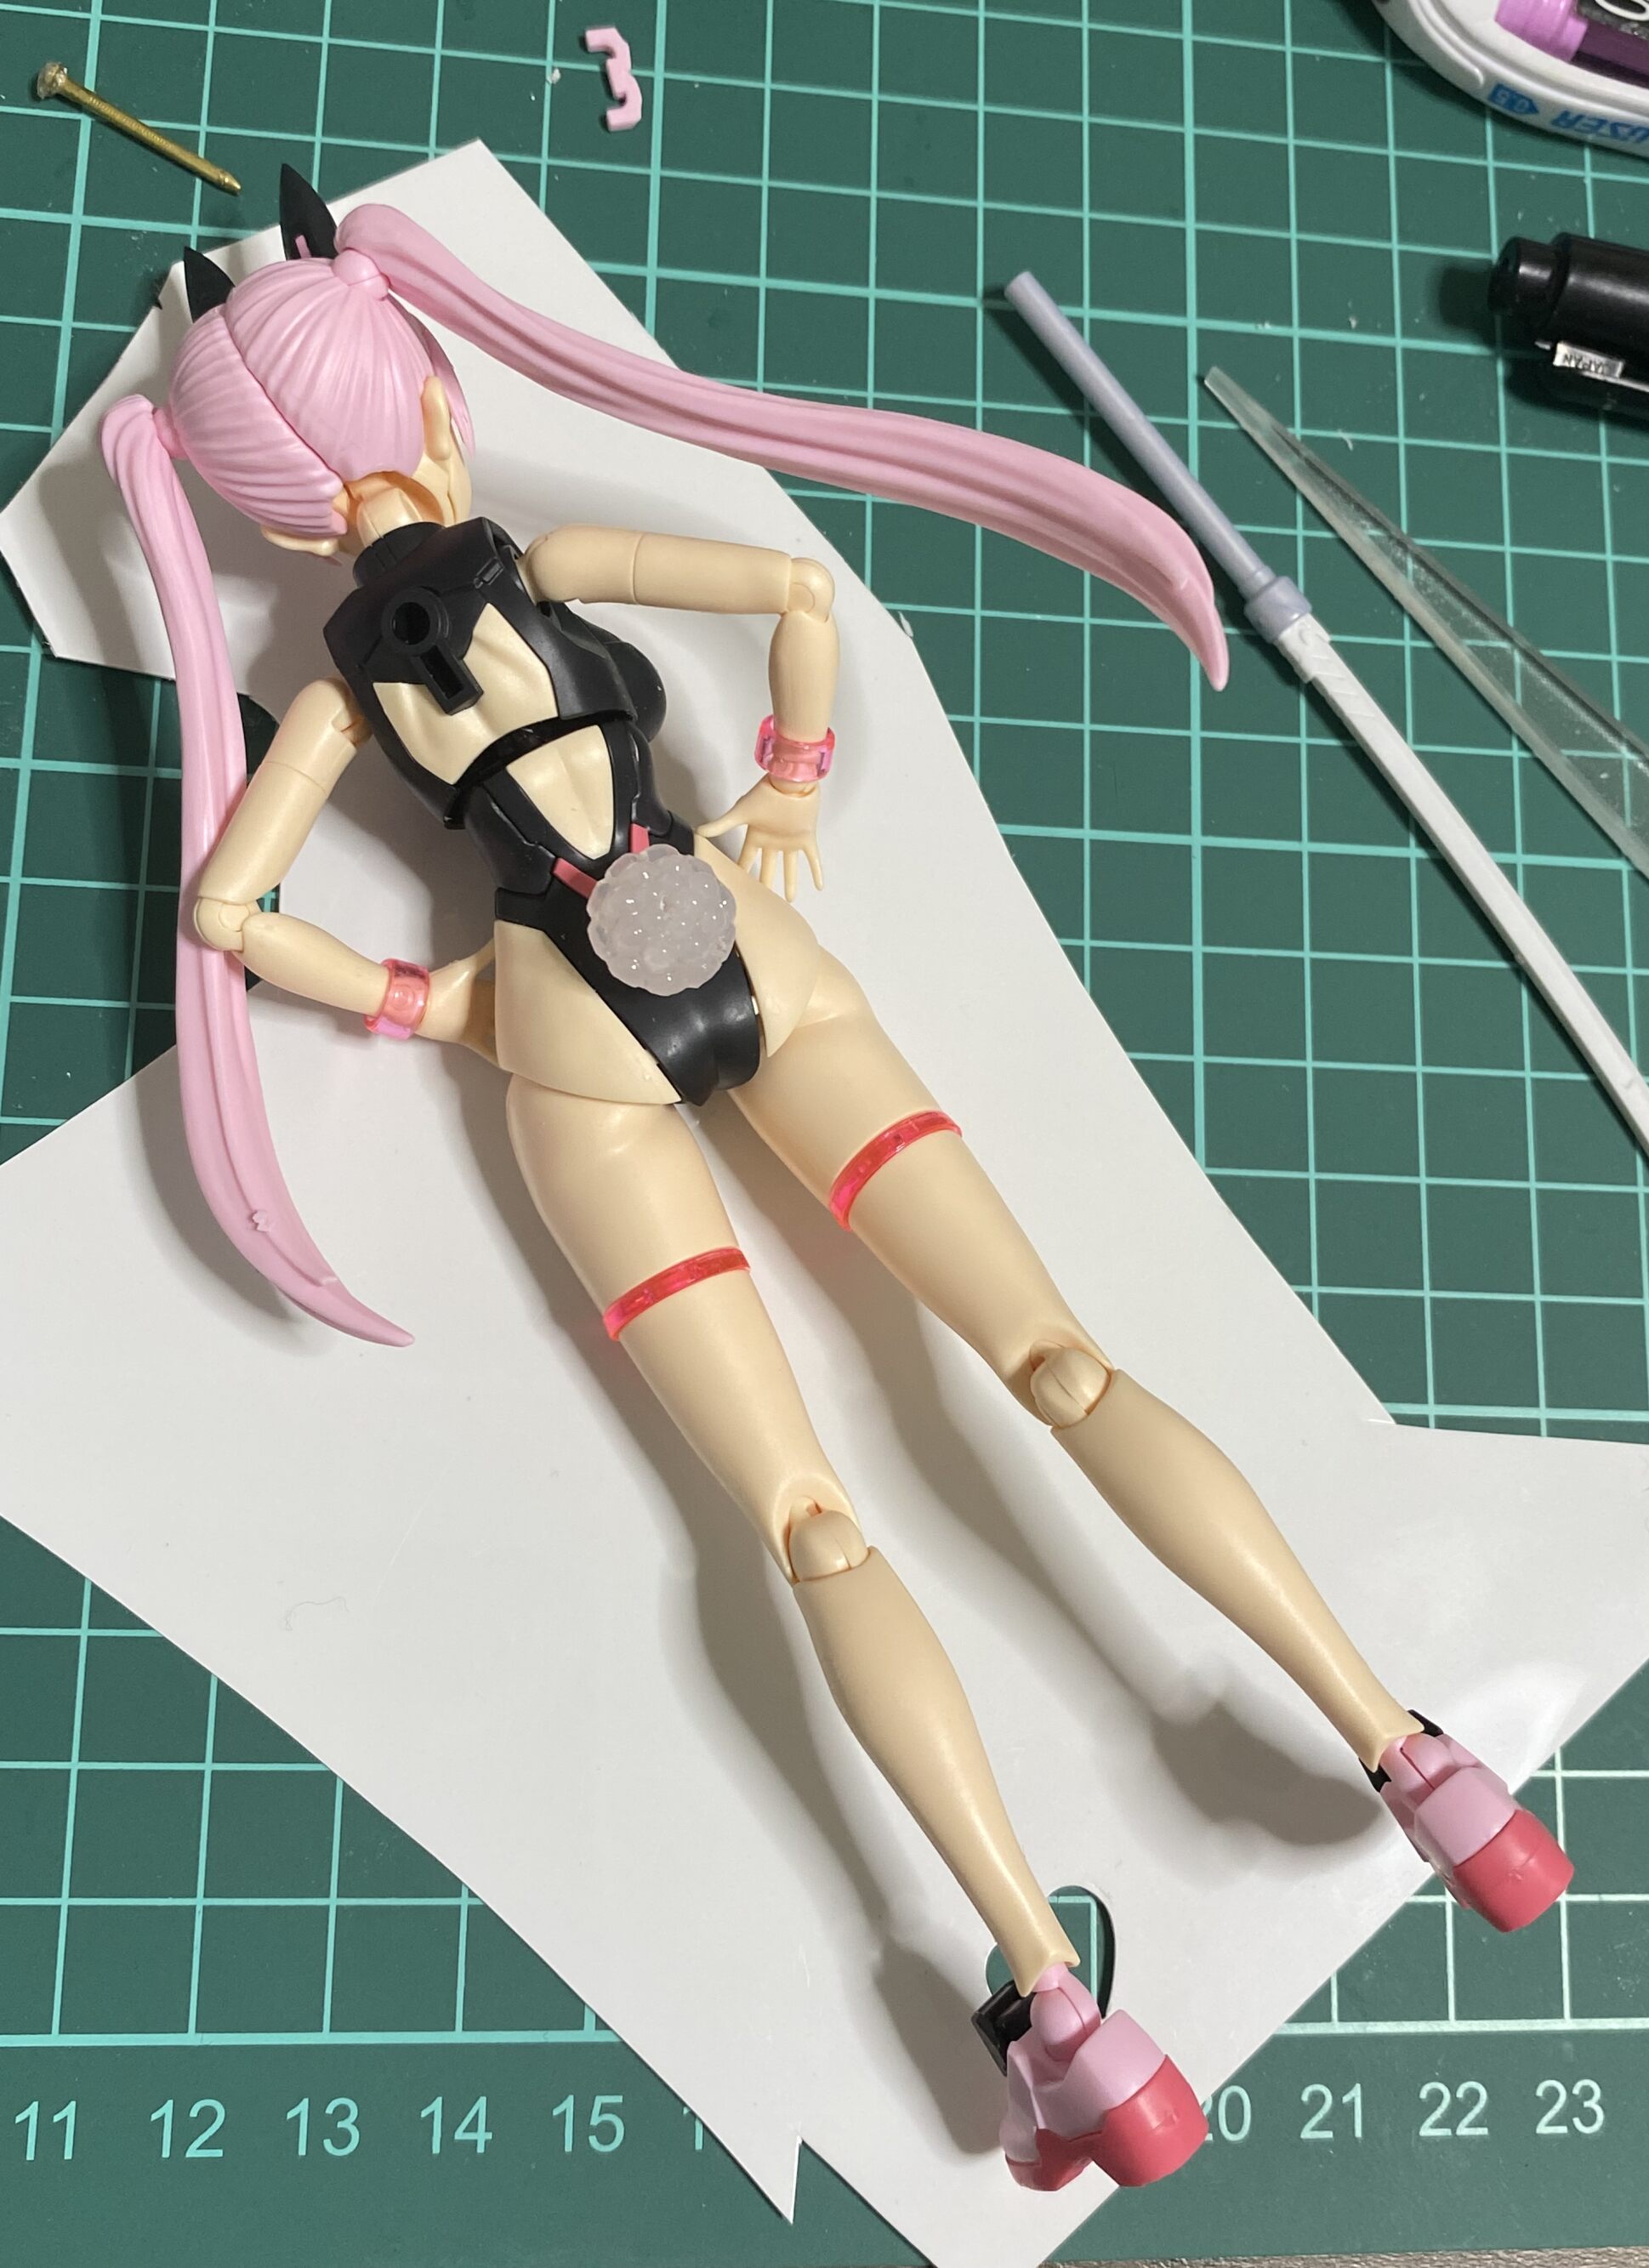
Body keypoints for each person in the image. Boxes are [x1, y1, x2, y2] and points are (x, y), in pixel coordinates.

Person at [103, 168, 1571, 2194]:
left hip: (565, 1034)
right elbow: (795, 595)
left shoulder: (347, 694)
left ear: (269, 522)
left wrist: (429, 1002)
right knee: (1057, 1357)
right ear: (437, 398)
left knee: (803, 1519)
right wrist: (785, 792)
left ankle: (1065, 2008)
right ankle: (1422, 1761)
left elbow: (225, 908)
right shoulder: (550, 560)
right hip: (739, 938)